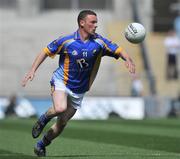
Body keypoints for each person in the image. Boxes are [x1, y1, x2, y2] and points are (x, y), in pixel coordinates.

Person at [21, 10, 135, 157]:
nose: (96, 25)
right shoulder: (67, 41)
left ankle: (41, 144)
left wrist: (128, 60)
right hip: (61, 81)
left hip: (79, 90)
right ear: (82, 23)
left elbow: (118, 49)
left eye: (96, 22)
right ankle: (44, 118)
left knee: (62, 123)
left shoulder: (99, 42)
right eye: (92, 22)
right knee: (60, 108)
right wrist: (32, 70)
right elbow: (45, 51)